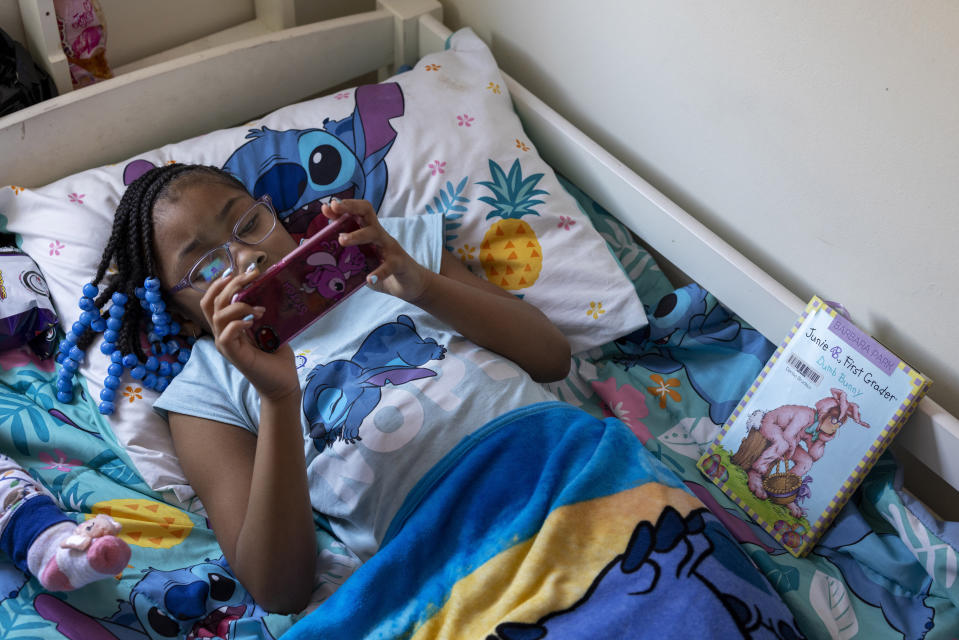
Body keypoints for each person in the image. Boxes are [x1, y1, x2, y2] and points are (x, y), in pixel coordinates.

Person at [70, 163, 571, 613]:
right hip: (449, 547)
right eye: (205, 267)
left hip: (559, 460)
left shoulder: (387, 253)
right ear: (181, 314)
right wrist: (279, 399)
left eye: (248, 223)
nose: (247, 257)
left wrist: (422, 285)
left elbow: (551, 357)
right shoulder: (206, 387)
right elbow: (277, 588)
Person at [0, 453, 131, 591]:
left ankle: (64, 552)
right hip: (21, 501)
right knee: (25, 514)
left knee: (30, 510)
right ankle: (62, 554)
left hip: (24, 495)